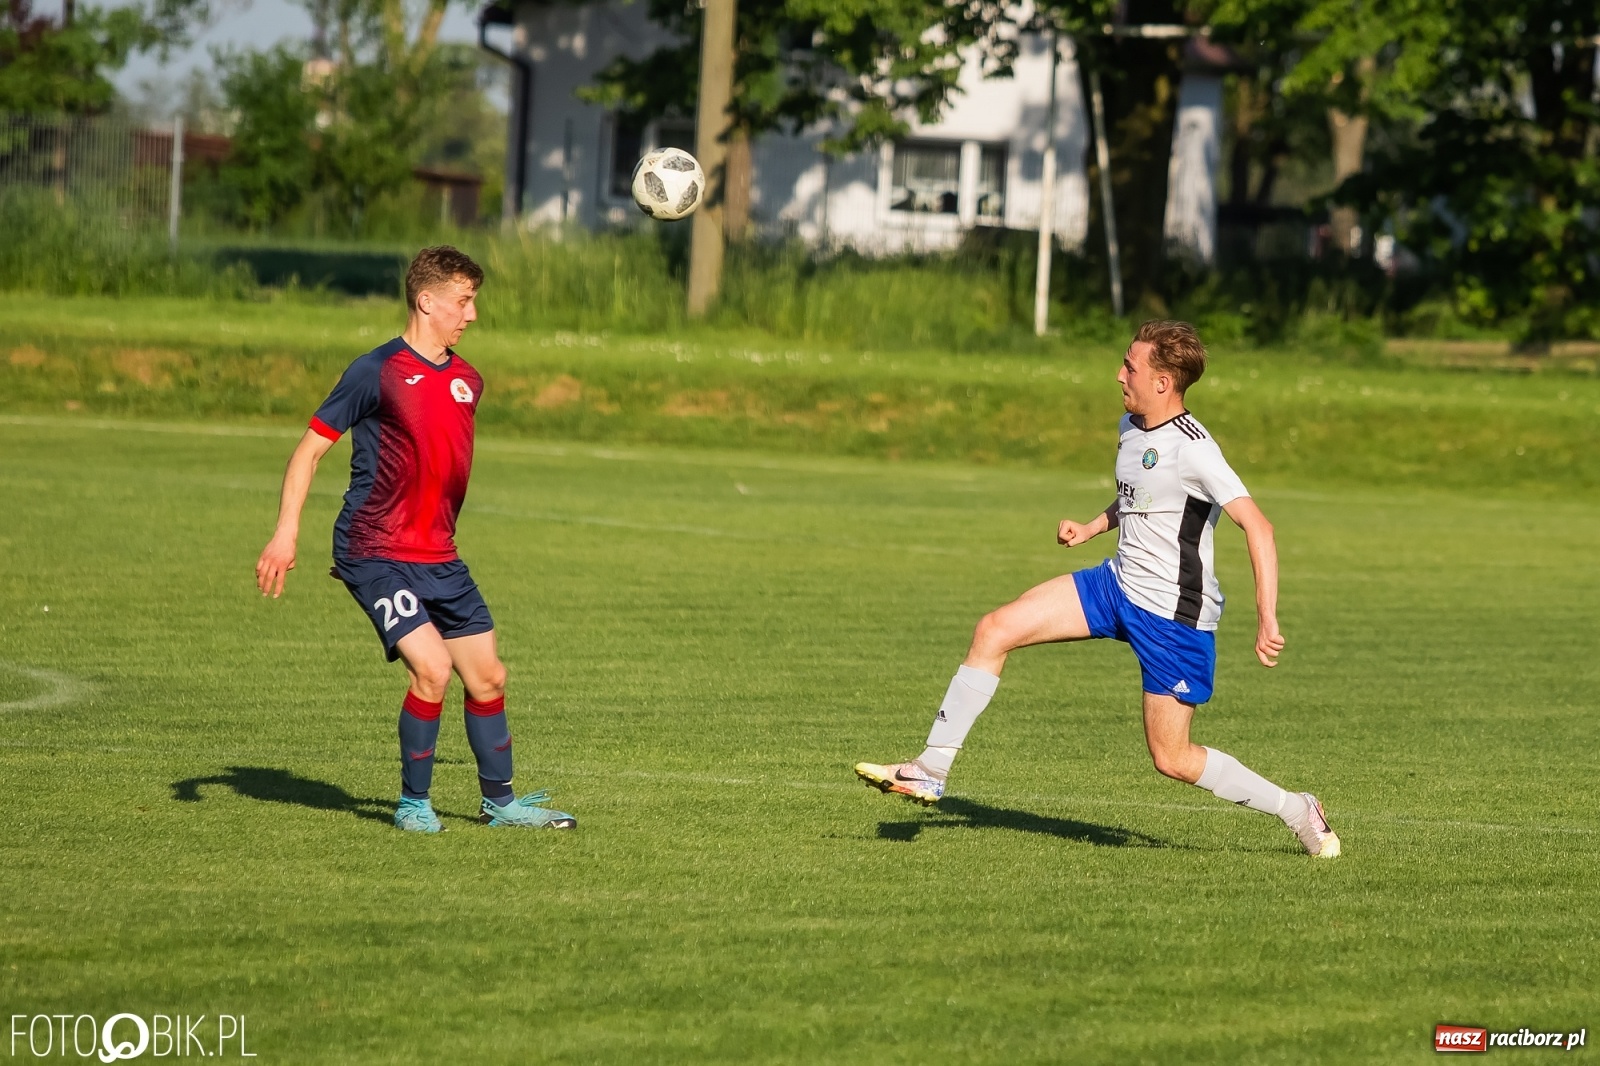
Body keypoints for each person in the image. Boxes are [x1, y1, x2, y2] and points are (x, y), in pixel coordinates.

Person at [855, 320, 1339, 857]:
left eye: (1130, 366)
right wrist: (1092, 527)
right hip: (1114, 586)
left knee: (1172, 758)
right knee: (995, 628)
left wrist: (1267, 617)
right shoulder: (1131, 426)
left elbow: (1260, 528)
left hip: (1173, 618)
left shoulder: (1196, 449)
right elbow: (1139, 498)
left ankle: (1297, 808)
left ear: (1163, 382)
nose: (1119, 374)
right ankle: (930, 769)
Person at [254, 245, 575, 834]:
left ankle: (500, 804)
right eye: (463, 301)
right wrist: (285, 533)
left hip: (439, 556)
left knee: (490, 677)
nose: (471, 315)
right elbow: (309, 452)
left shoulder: (467, 381)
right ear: (427, 301)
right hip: (374, 550)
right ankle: (413, 804)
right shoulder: (374, 371)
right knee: (431, 669)